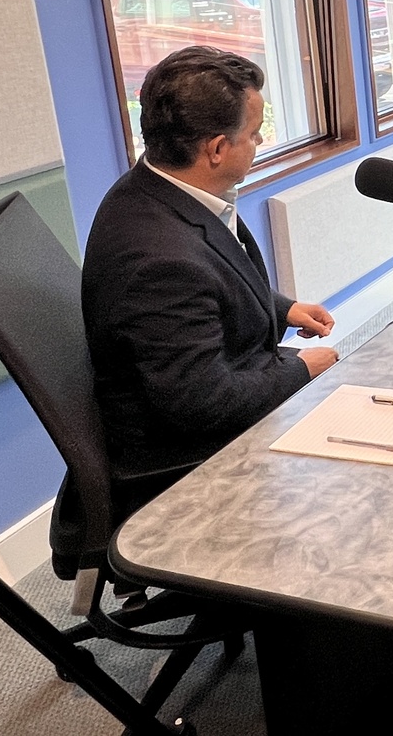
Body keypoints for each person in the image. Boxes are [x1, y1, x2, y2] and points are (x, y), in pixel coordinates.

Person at [82, 46, 339, 478]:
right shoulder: (160, 264)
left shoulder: (152, 186)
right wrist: (300, 369)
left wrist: (282, 309)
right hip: (192, 461)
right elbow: (204, 405)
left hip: (216, 393)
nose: (259, 143)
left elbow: (215, 280)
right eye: (255, 134)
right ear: (217, 148)